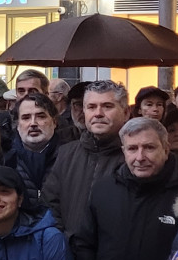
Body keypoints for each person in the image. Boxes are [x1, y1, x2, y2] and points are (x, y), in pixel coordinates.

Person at [72, 117, 178, 260]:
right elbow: (84, 243)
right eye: (132, 149)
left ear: (166, 149)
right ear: (123, 151)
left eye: (149, 147)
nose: (140, 157)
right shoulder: (104, 190)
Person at [41, 80, 128, 240]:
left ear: (126, 112)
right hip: (71, 253)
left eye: (107, 106)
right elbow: (50, 202)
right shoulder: (66, 153)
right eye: (91, 107)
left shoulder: (135, 157)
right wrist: (62, 238)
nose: (98, 113)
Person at [1, 92, 66, 213]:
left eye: (41, 116)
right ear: (17, 124)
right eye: (26, 118)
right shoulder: (4, 160)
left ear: (54, 121)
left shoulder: (71, 159)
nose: (33, 123)